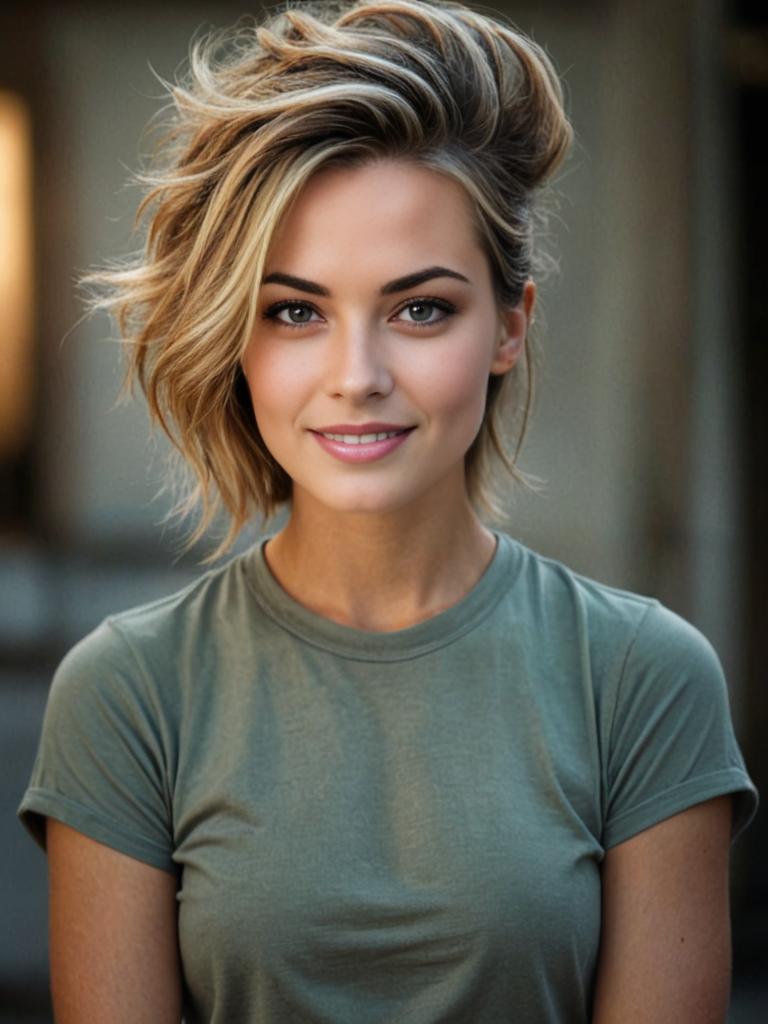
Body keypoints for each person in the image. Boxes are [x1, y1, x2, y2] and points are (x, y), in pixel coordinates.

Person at [17, 1, 758, 1021]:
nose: (356, 375)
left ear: (509, 323)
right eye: (296, 311)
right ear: (237, 335)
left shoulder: (642, 678)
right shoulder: (128, 694)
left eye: (420, 308)